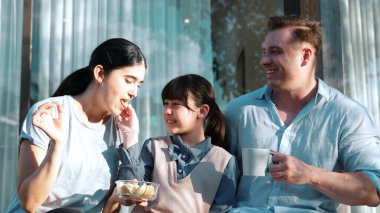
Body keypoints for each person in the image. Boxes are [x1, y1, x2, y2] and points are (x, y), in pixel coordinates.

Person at [224, 15, 380, 212]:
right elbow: (217, 179)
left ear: (305, 56)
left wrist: (310, 174)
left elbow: (373, 190)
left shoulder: (348, 115)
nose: (264, 61)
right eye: (264, 52)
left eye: (275, 52)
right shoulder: (239, 111)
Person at [7, 38, 147, 213]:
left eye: (138, 85)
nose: (134, 92)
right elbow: (29, 203)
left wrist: (131, 139)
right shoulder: (51, 113)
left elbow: (115, 206)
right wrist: (57, 145)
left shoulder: (120, 128)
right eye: (128, 80)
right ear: (100, 74)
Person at [119, 74, 238, 212]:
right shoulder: (153, 147)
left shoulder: (224, 162)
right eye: (165, 104)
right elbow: (130, 195)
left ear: (202, 111)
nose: (167, 111)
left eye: (176, 104)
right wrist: (130, 136)